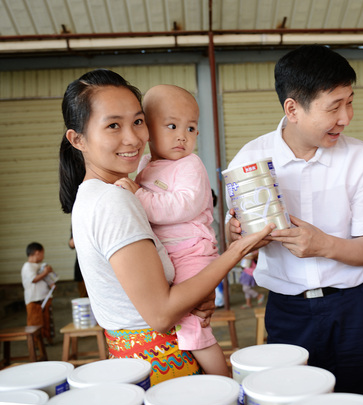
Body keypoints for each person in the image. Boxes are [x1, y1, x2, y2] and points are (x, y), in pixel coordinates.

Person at [58, 69, 273, 386]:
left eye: (138, 121)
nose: (133, 138)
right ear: (78, 139)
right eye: (113, 125)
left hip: (137, 362)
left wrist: (196, 288)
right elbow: (161, 314)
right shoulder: (115, 200)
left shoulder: (97, 194)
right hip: (166, 368)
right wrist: (237, 251)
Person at [225, 44, 363, 397]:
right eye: (334, 106)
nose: (346, 117)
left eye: (349, 102)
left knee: (355, 399)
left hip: (353, 308)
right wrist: (236, 232)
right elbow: (239, 237)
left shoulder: (362, 160)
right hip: (287, 311)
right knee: (290, 400)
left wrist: (323, 245)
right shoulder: (251, 159)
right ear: (293, 109)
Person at [114, 84, 228, 376]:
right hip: (168, 256)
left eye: (191, 128)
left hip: (192, 253)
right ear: (148, 131)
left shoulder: (191, 164)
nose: (182, 136)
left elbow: (183, 206)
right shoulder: (144, 165)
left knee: (193, 325)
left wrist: (139, 196)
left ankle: (224, 380)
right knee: (176, 319)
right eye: (172, 126)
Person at [21, 242, 56, 345]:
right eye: (42, 253)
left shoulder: (39, 265)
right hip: (34, 300)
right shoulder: (27, 266)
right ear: (37, 253)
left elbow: (46, 275)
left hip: (44, 298)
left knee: (46, 322)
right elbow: (34, 279)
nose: (43, 256)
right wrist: (45, 272)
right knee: (34, 323)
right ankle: (35, 343)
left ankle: (47, 339)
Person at [68, 231, 87, 297]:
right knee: (84, 295)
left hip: (98, 266)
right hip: (82, 266)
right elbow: (71, 244)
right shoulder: (76, 223)